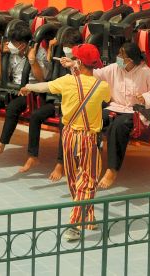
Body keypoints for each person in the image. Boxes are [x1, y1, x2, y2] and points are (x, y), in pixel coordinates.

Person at [20, 44, 111, 241]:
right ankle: (75, 225)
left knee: (73, 179)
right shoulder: (102, 86)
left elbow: (44, 86)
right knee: (87, 181)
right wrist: (76, 67)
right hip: (89, 138)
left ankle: (88, 217)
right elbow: (106, 98)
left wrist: (28, 87)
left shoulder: (67, 81)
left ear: (78, 62)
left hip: (68, 136)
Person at [93, 41, 150, 189]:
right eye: (119, 54)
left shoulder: (145, 72)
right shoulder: (115, 68)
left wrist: (145, 97)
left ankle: (112, 170)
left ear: (131, 60)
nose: (118, 57)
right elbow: (95, 74)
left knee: (118, 126)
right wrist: (76, 66)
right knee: (95, 119)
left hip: (135, 111)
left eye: (122, 55)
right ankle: (90, 163)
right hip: (116, 106)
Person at [0, 20, 47, 161]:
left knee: (13, 108)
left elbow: (42, 78)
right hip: (11, 88)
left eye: (14, 43)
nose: (11, 45)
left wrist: (32, 60)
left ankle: (1, 146)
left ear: (24, 44)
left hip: (31, 92)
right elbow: (0, 77)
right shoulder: (11, 52)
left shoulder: (39, 52)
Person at [18, 25, 82, 178]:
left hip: (74, 105)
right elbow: (50, 82)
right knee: (35, 116)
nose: (67, 50)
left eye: (70, 47)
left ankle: (60, 163)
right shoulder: (59, 59)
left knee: (64, 123)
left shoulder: (82, 63)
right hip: (56, 101)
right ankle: (32, 156)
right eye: (65, 46)